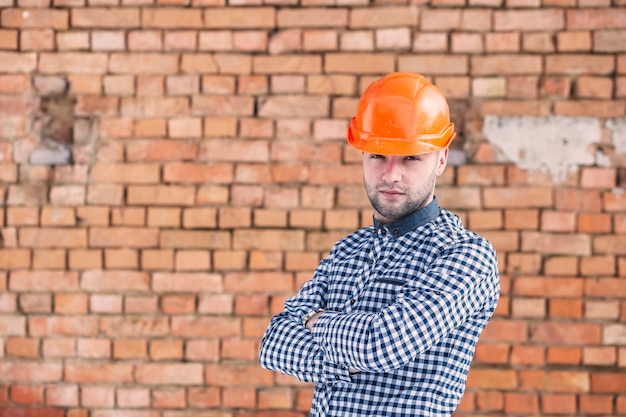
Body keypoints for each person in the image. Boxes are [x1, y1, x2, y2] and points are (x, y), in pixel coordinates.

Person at [259, 72, 500, 417]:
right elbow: (274, 344)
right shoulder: (348, 250)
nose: (391, 175)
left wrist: (314, 322)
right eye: (378, 156)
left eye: (410, 158)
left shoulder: (464, 256)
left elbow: (380, 346)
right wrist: (352, 356)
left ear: (441, 159)